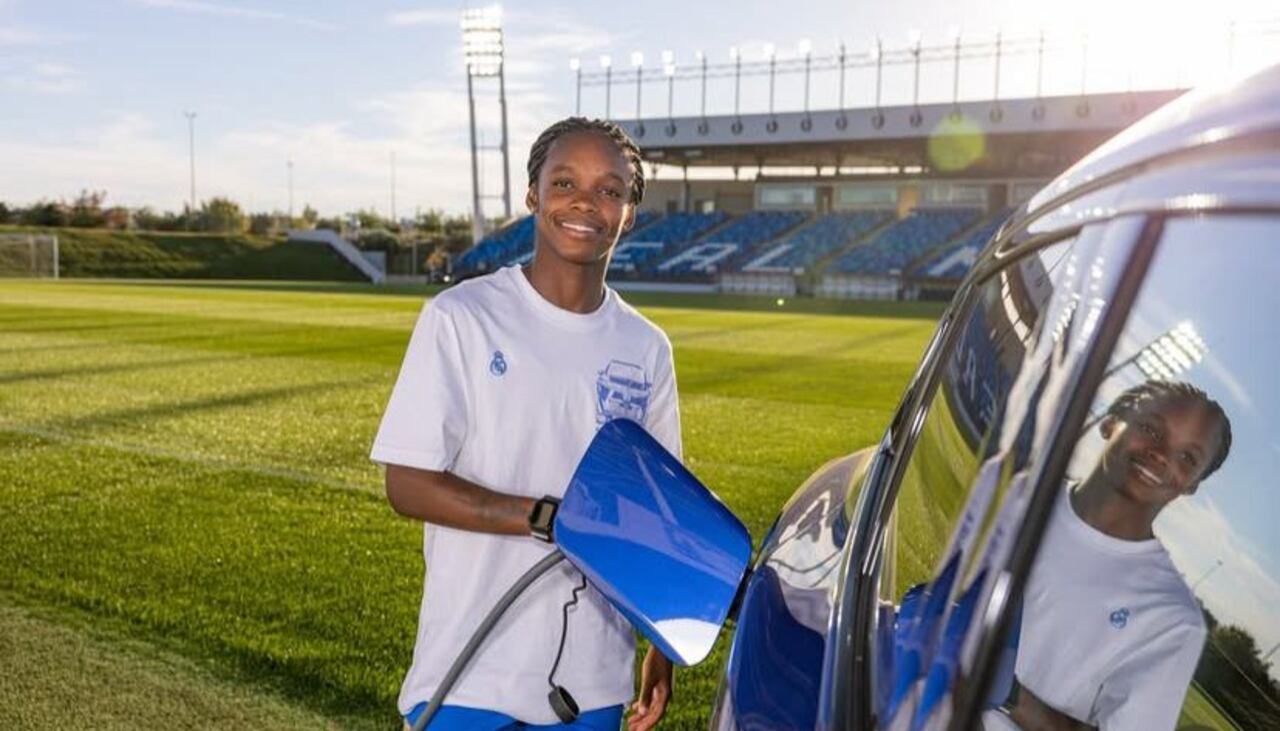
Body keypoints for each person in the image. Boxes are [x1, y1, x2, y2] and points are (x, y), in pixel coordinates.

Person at [371, 118, 681, 731]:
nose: (585, 202)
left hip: (593, 680)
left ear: (631, 214)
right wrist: (545, 517)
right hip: (468, 669)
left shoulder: (647, 347)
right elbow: (405, 483)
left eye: (610, 189)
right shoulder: (461, 317)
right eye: (564, 181)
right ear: (533, 194)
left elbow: (657, 510)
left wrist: (661, 649)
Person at [1005, 380, 1233, 731]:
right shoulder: (1016, 493)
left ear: (1191, 485)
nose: (1161, 453)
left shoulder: (1173, 618)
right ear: (1110, 421)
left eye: (1187, 458)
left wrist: (1009, 693)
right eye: (1149, 428)